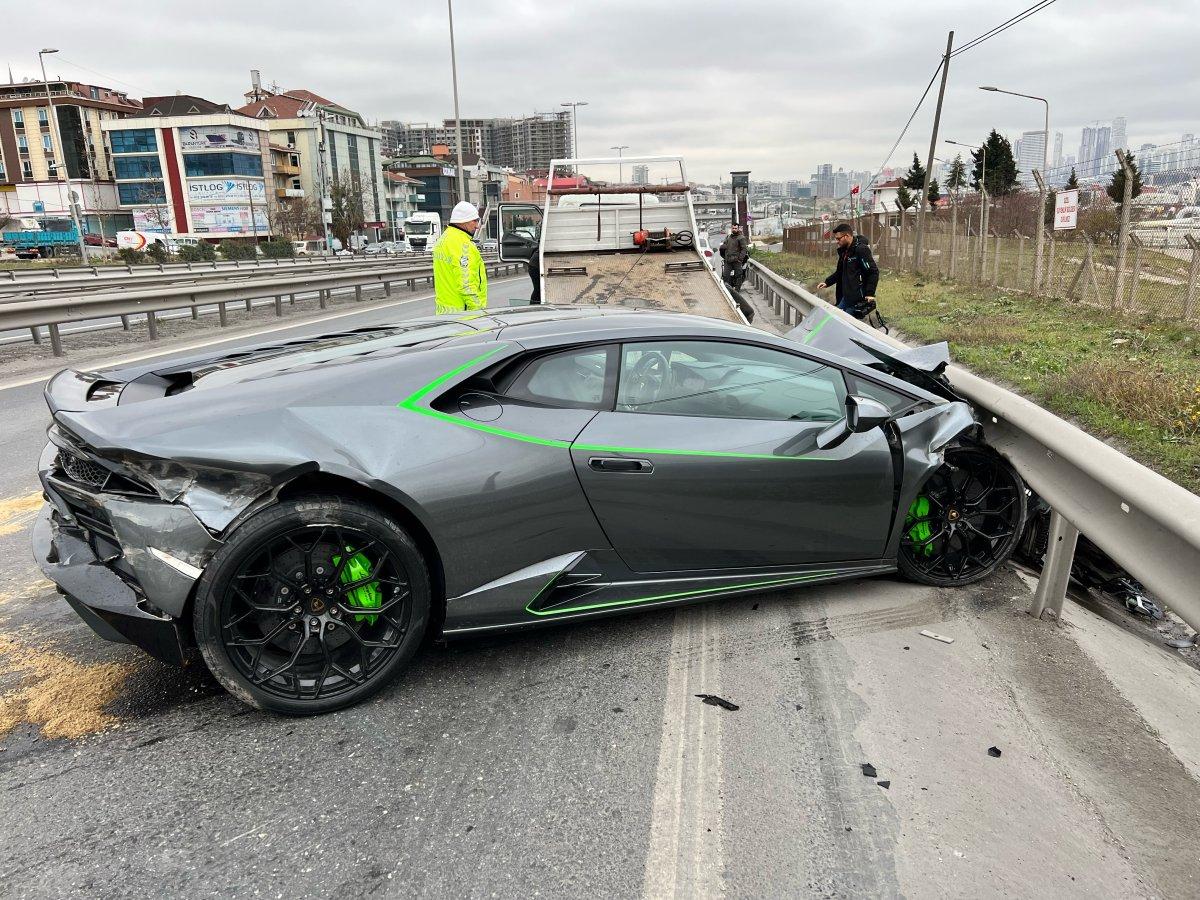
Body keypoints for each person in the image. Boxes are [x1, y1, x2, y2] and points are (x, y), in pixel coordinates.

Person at [432, 201, 488, 314]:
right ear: (464, 221)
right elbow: (466, 285)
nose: (477, 226)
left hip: (444, 313)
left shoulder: (442, 241)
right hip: (465, 317)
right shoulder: (463, 245)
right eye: (474, 221)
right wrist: (480, 312)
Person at [816, 223, 878, 318]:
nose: (837, 241)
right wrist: (827, 282)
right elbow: (840, 272)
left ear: (847, 236)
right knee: (833, 320)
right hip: (845, 297)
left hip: (857, 299)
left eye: (838, 238)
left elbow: (873, 272)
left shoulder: (861, 250)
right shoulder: (844, 252)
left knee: (842, 324)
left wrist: (870, 293)